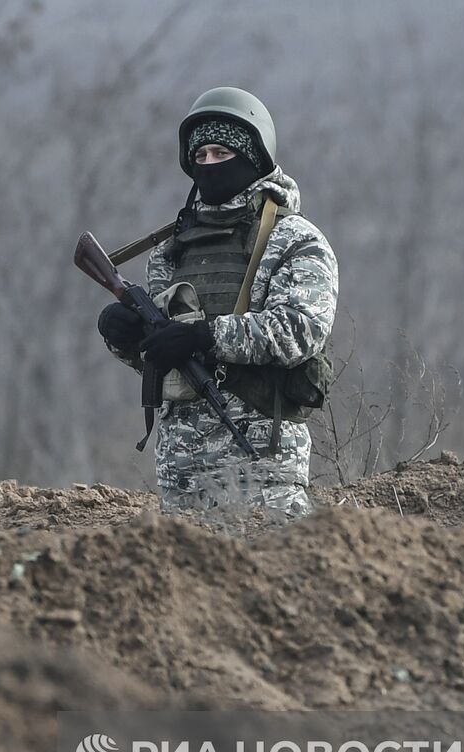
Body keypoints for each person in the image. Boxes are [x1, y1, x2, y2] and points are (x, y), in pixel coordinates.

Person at [97, 87, 338, 518]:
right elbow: (161, 353)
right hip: (180, 470)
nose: (209, 164)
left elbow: (301, 330)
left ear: (254, 157)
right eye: (201, 155)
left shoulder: (296, 240)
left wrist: (206, 335)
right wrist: (126, 338)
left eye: (222, 153)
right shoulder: (171, 250)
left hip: (264, 467)